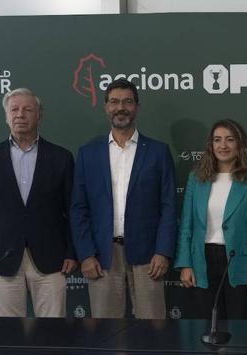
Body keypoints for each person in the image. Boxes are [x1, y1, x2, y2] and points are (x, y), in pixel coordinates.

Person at [70, 78, 176, 319]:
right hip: (102, 255)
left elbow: (168, 206)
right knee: (106, 333)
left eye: (127, 102)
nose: (121, 108)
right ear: (106, 107)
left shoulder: (158, 152)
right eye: (115, 102)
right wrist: (86, 254)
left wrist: (163, 251)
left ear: (137, 106)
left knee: (153, 330)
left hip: (149, 256)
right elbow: (79, 208)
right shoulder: (88, 154)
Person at [0, 88, 76, 317]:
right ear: (6, 116)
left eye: (27, 109)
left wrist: (71, 252)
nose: (20, 114)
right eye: (14, 109)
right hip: (0, 260)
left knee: (53, 334)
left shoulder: (61, 158)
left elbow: (73, 210)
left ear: (39, 115)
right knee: (8, 337)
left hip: (52, 259)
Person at [174, 119, 247, 319]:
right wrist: (185, 263)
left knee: (240, 326)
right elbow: (186, 226)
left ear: (240, 144)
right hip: (203, 259)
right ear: (211, 145)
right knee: (206, 325)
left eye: (229, 140)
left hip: (241, 261)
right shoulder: (196, 178)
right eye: (217, 140)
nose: (223, 145)